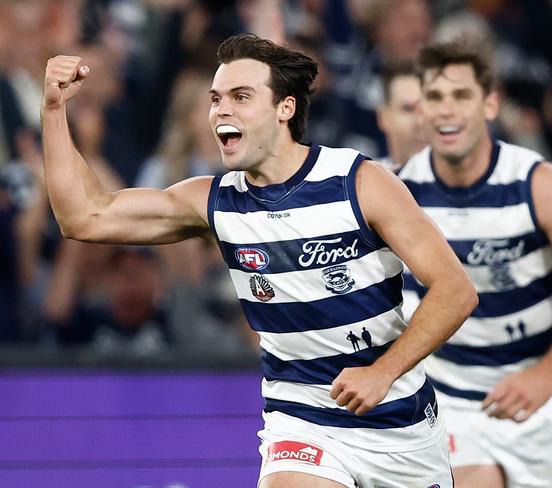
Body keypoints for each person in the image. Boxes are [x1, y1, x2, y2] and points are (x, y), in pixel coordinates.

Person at [41, 34, 477, 488]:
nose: (220, 111)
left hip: (400, 427)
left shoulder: (360, 182)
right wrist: (54, 111)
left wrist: (382, 372)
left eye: (240, 97)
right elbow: (84, 217)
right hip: (301, 419)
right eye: (215, 99)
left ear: (285, 108)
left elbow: (455, 290)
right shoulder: (214, 202)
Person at [398, 39, 552, 488]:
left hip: (545, 402)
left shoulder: (538, 184)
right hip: (453, 404)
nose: (447, 110)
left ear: (489, 104)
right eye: (435, 97)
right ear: (421, 109)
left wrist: (547, 374)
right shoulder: (400, 193)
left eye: (461, 96)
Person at [375, 60, 427, 173]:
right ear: (382, 118)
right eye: (408, 109)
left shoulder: (466, 185)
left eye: (427, 108)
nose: (420, 122)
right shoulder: (361, 185)